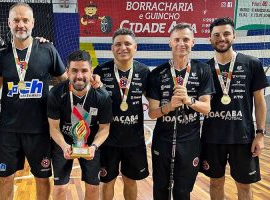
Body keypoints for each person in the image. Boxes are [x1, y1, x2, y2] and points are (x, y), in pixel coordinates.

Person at [0, 3, 69, 200]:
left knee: (41, 179)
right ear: (9, 23)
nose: (21, 25)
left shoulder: (47, 49)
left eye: (25, 20)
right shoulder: (0, 55)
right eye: (16, 20)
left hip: (40, 130)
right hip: (8, 131)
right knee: (6, 178)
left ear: (33, 23)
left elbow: (65, 82)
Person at [200, 17, 269, 200]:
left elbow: (260, 101)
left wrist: (260, 134)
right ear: (210, 38)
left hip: (243, 137)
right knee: (215, 183)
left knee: (245, 186)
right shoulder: (203, 69)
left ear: (234, 36)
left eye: (226, 33)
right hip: (212, 138)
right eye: (216, 35)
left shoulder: (252, 64)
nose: (221, 38)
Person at [146, 23, 215, 200]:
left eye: (185, 39)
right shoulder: (157, 73)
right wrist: (170, 106)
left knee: (183, 191)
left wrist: (188, 100)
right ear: (170, 42)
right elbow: (153, 113)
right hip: (163, 140)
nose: (181, 43)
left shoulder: (203, 70)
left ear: (193, 42)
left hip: (190, 141)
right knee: (160, 189)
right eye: (177, 39)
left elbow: (206, 108)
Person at [47, 50, 112, 200]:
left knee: (93, 189)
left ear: (91, 71)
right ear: (67, 71)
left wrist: (94, 147)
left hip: (89, 143)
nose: (79, 76)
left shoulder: (102, 96)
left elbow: (104, 129)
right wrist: (64, 146)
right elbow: (54, 128)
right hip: (63, 142)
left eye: (84, 70)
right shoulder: (56, 94)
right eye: (74, 70)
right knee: (60, 189)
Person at [93, 28, 150, 200]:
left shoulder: (144, 71)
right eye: (118, 44)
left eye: (127, 44)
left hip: (134, 140)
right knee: (107, 181)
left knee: (130, 181)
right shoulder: (100, 71)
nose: (122, 48)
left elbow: (154, 102)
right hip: (107, 139)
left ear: (135, 47)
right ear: (112, 48)